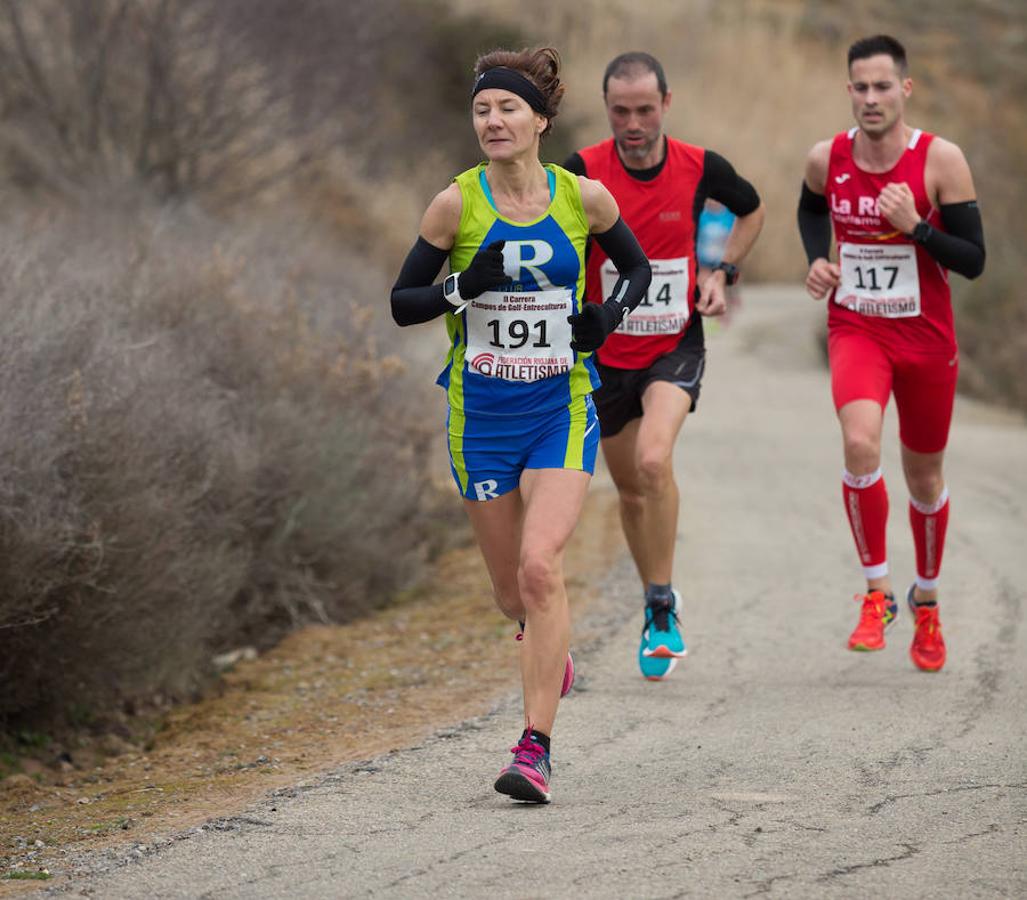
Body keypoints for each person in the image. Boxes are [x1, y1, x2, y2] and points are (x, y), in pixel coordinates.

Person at [391, 47, 651, 802]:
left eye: (507, 108)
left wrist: (607, 317)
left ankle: (534, 747)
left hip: (559, 409)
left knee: (542, 568)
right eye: (481, 109)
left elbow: (632, 272)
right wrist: (461, 288)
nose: (493, 120)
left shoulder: (583, 199)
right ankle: (546, 643)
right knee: (513, 596)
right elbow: (403, 302)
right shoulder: (455, 204)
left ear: (539, 120)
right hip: (480, 420)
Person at [564, 52, 764, 680]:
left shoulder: (701, 166)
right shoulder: (582, 172)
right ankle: (658, 603)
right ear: (606, 109)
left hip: (676, 341)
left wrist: (721, 270)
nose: (633, 123)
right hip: (607, 355)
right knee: (628, 487)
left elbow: (750, 208)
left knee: (654, 459)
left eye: (645, 110)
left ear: (666, 105)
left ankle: (659, 598)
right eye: (621, 111)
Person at [798, 35, 985, 672]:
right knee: (859, 444)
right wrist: (816, 261)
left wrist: (918, 227)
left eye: (883, 86)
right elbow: (808, 208)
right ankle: (877, 593)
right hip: (857, 328)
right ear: (848, 90)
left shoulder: (941, 161)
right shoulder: (828, 157)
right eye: (860, 87)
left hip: (927, 340)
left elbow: (974, 261)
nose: (871, 98)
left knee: (924, 477)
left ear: (904, 89)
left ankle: (926, 601)